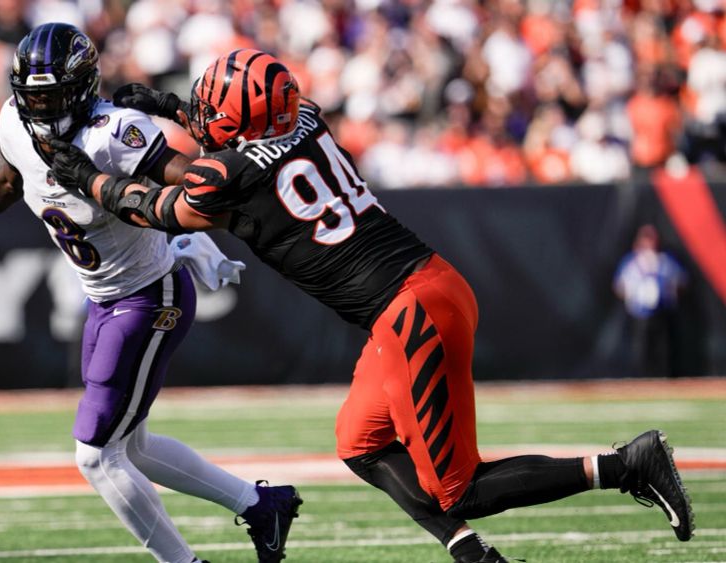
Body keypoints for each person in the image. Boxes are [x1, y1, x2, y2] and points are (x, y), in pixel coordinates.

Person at [47, 48, 696, 562]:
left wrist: (81, 175)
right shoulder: (304, 118)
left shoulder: (228, 175)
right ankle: (471, 553)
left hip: (411, 309)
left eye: (208, 106)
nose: (199, 112)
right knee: (360, 441)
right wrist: (171, 108)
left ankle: (626, 464)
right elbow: (246, 132)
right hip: (419, 289)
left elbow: (160, 208)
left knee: (459, 483)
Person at [0, 26, 301, 563]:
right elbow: (13, 181)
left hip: (151, 297)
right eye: (32, 96)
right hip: (104, 298)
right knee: (135, 449)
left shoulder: (114, 132)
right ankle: (262, 505)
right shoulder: (14, 121)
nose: (41, 107)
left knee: (97, 456)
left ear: (81, 87)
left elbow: (196, 185)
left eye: (52, 96)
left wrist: (168, 215)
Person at [613, 225, 688, 377]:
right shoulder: (632, 263)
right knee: (641, 351)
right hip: (640, 314)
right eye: (646, 239)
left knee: (664, 350)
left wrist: (670, 292)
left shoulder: (665, 261)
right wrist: (632, 294)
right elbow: (619, 285)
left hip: (662, 312)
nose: (649, 243)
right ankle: (641, 380)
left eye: (651, 239)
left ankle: (665, 379)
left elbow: (682, 281)